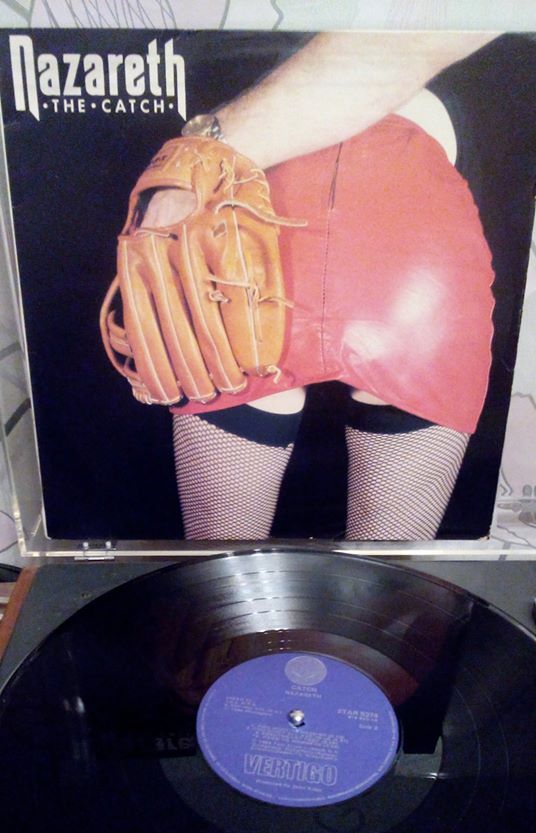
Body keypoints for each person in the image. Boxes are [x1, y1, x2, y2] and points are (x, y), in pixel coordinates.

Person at [140, 32, 498, 541]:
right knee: (386, 578)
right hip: (415, 206)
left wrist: (195, 159)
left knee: (223, 568)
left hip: (244, 210)